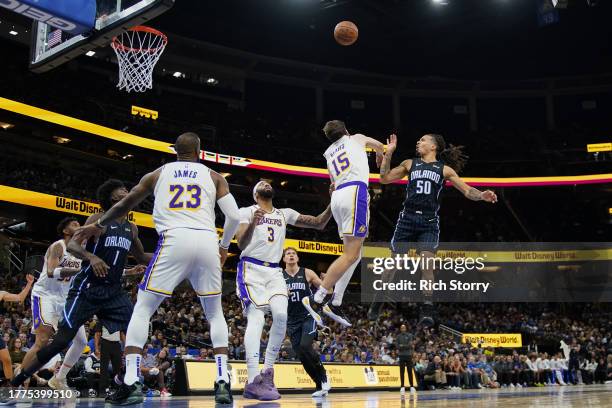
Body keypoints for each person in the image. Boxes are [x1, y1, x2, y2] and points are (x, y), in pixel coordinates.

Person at [71, 132, 241, 405]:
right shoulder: (214, 176)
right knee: (214, 312)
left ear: (175, 151)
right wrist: (223, 247)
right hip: (208, 241)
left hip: (174, 239)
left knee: (143, 308)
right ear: (200, 151)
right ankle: (222, 381)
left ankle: (131, 382)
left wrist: (99, 224)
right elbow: (233, 216)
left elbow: (125, 203)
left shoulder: (157, 174)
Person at [10, 179, 148, 395]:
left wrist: (170, 253)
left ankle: (126, 379)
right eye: (123, 189)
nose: (128, 191)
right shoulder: (98, 220)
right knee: (58, 342)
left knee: (137, 326)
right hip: (86, 290)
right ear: (112, 197)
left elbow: (141, 256)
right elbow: (73, 245)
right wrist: (91, 257)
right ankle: (19, 380)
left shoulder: (132, 228)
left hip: (112, 292)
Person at [368, 133, 497, 325]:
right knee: (391, 268)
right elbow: (384, 178)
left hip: (429, 222)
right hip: (407, 220)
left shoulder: (444, 170)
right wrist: (388, 154)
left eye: (423, 140)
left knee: (427, 266)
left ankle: (427, 309)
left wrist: (482, 195)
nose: (418, 142)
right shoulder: (409, 164)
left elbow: (467, 190)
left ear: (434, 146)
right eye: (418, 139)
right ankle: (377, 302)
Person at [235, 180, 332, 400]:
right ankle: (252, 380)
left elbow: (318, 223)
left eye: (267, 182)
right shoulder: (247, 211)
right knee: (257, 320)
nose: (265, 183)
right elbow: (240, 242)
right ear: (255, 194)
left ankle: (267, 373)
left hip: (273, 272)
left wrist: (332, 203)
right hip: (251, 268)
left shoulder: (284, 213)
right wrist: (253, 223)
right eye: (260, 184)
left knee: (280, 315)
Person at [311, 120, 385, 327]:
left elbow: (332, 181)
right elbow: (381, 146)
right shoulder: (357, 138)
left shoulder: (328, 153)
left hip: (338, 197)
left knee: (356, 252)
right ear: (345, 130)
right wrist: (380, 154)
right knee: (351, 254)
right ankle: (319, 296)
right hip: (355, 193)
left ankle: (336, 301)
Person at [21, 217, 86, 391]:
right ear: (65, 231)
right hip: (45, 295)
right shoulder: (59, 246)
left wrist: (128, 271)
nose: (79, 227)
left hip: (66, 298)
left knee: (81, 341)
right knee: (42, 340)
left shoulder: (83, 251)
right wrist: (80, 270)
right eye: (74, 225)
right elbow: (51, 272)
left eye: (80, 225)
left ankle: (59, 378)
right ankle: (18, 385)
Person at [282, 247, 331, 398]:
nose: (291, 255)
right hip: (291, 320)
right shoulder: (278, 276)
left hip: (308, 316)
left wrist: (328, 281)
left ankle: (323, 376)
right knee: (302, 355)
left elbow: (326, 291)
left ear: (297, 258)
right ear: (283, 259)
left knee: (305, 346)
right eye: (288, 254)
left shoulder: (307, 272)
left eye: (293, 254)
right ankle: (319, 385)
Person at [0, 274, 34, 383]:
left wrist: (29, 284)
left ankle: (8, 388)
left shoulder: (1, 294)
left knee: (6, 359)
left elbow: (20, 298)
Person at [396, 324, 416, 395]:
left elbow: (410, 345)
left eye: (404, 328)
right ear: (400, 329)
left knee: (410, 371)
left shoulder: (409, 335)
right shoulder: (398, 336)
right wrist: (404, 346)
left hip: (408, 355)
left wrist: (402, 346)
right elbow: (397, 346)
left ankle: (411, 386)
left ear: (406, 328)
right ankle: (402, 386)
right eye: (401, 328)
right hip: (401, 356)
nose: (403, 329)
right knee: (402, 371)